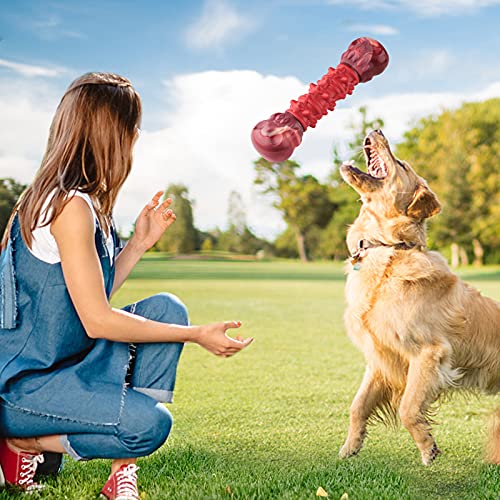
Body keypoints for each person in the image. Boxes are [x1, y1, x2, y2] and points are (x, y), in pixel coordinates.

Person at [0, 72, 253, 498]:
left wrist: (137, 243)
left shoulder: (83, 202)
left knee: (166, 307)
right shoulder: (67, 207)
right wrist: (195, 336)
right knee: (148, 426)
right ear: (114, 134)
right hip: (23, 388)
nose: (136, 138)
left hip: (64, 366)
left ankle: (120, 472)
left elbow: (85, 300)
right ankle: (23, 441)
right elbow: (97, 321)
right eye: (132, 128)